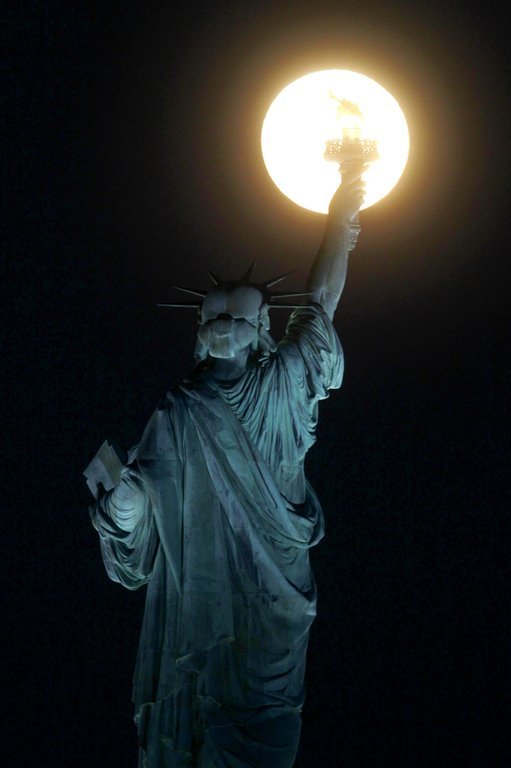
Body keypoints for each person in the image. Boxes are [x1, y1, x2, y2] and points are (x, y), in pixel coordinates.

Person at [89, 170, 364, 767]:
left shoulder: (282, 389)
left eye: (235, 318)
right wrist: (124, 506)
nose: (221, 327)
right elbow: (139, 527)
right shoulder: (176, 411)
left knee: (265, 738)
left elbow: (320, 304)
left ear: (261, 329)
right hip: (195, 605)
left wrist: (340, 219)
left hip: (271, 603)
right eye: (212, 318)